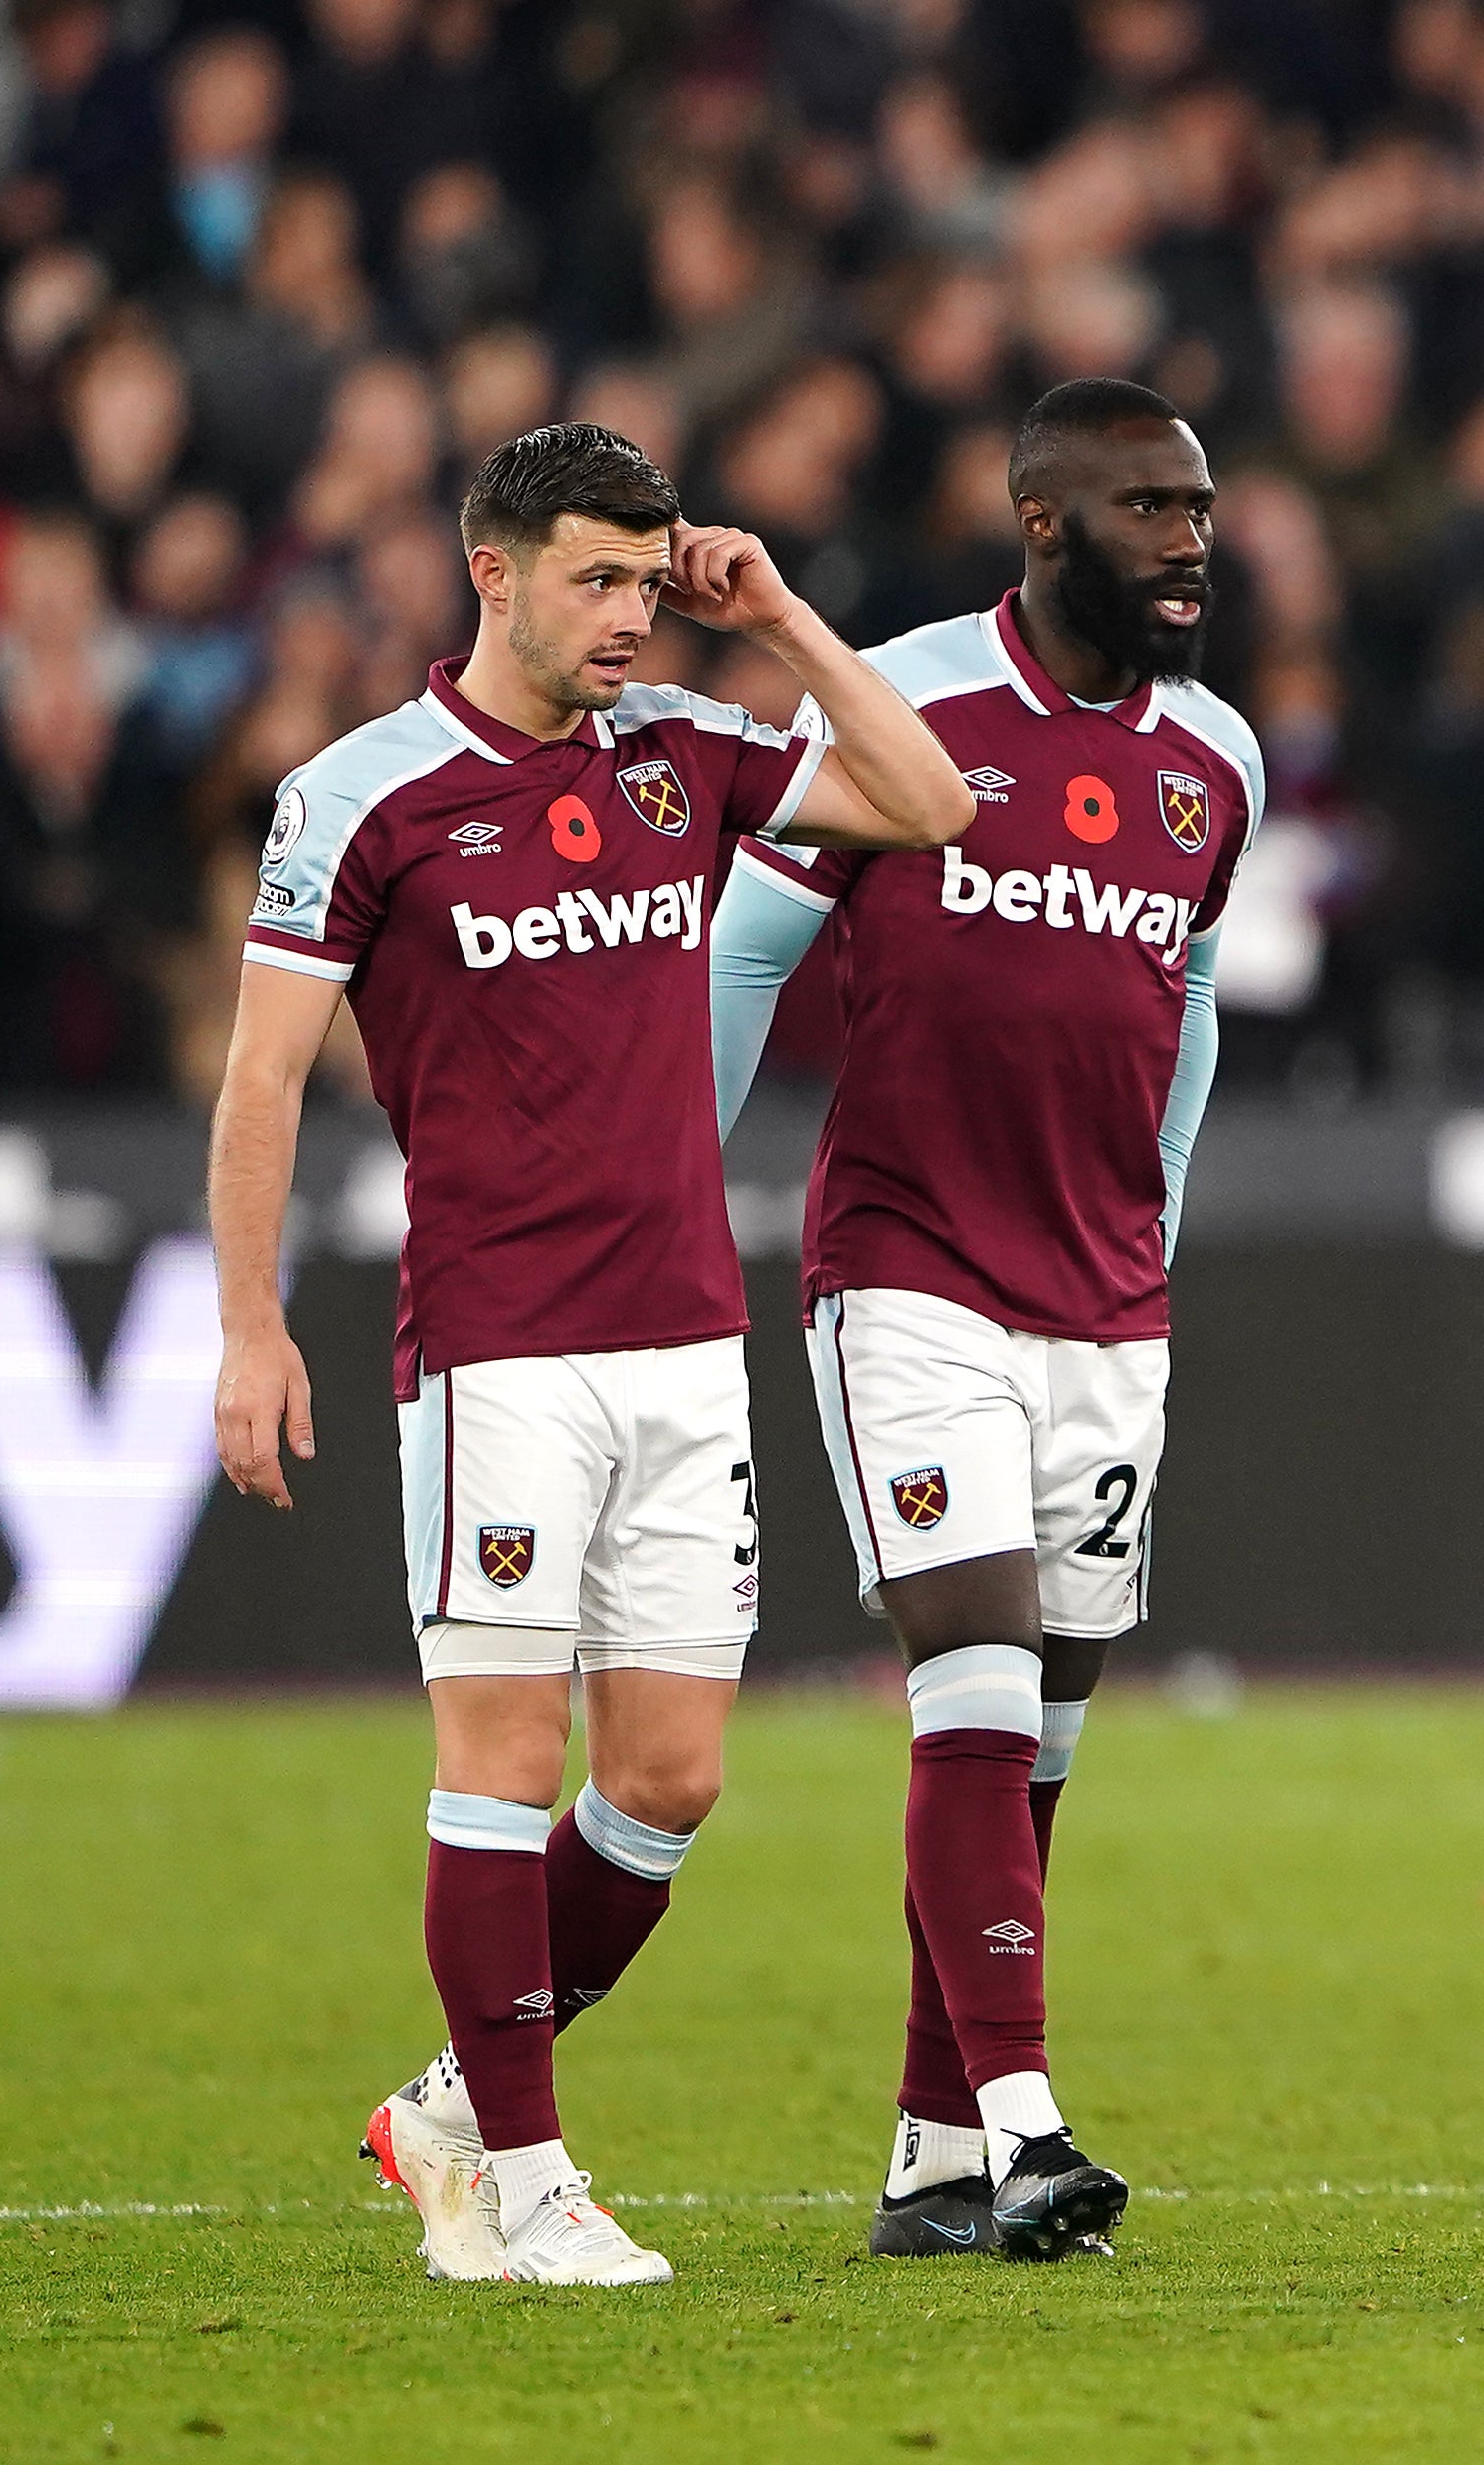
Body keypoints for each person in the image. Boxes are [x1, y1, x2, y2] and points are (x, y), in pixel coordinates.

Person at [206, 422, 972, 2286]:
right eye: (597, 580)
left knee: (669, 1778)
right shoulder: (364, 796)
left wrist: (774, 609)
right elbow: (262, 1075)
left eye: (649, 578)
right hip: (498, 1347)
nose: (633, 616)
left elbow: (932, 801)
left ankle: (452, 2110)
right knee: (499, 1753)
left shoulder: (685, 756)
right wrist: (250, 1327)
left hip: (688, 1341)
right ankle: (534, 2185)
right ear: (494, 571)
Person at [704, 377, 1260, 2263]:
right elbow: (751, 952)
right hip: (907, 1266)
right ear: (1044, 523)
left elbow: (1181, 1013)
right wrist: (672, 1195)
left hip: (1107, 1300)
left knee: (1045, 1748)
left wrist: (1157, 1226)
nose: (1193, 542)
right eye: (1150, 510)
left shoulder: (1220, 767)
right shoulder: (903, 699)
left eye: (1201, 509)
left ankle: (933, 2161)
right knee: (974, 1681)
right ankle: (1029, 2124)